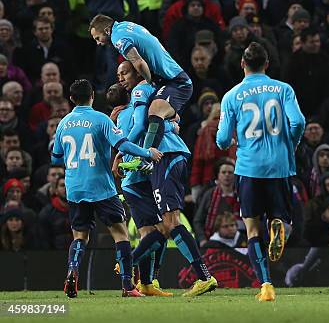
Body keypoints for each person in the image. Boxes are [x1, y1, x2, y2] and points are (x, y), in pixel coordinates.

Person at [113, 61, 218, 297]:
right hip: (162, 161)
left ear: (138, 72)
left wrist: (121, 151)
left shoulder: (142, 91)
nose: (121, 78)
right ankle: (149, 281)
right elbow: (170, 117)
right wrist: (172, 123)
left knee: (168, 223)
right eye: (118, 74)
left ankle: (204, 276)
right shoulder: (146, 98)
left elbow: (145, 124)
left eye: (125, 73)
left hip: (165, 157)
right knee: (161, 225)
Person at [50, 79, 162, 298]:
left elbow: (55, 158)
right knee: (120, 234)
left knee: (80, 236)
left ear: (71, 98)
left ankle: (73, 270)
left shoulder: (63, 123)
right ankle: (127, 286)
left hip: (75, 189)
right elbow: (123, 145)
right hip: (101, 186)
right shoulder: (101, 119)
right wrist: (147, 152)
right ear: (93, 95)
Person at [217, 42, 305, 301]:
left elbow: (222, 139)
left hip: (249, 168)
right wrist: (291, 142)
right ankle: (279, 225)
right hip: (280, 166)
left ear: (242, 64)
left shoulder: (232, 95)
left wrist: (229, 142)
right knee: (280, 218)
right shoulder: (283, 89)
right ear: (267, 64)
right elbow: (298, 121)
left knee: (252, 230)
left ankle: (266, 285)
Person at [107, 71, 174, 297]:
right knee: (161, 230)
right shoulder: (138, 111)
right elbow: (144, 130)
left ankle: (146, 283)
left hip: (137, 180)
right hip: (137, 180)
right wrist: (173, 125)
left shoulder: (118, 117)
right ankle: (130, 264)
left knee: (150, 233)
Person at [88, 14, 193, 156]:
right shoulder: (125, 25)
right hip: (169, 77)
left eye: (97, 38)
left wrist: (149, 81)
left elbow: (138, 62)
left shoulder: (117, 37)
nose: (98, 43)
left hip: (175, 81)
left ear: (107, 31)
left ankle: (146, 157)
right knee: (157, 112)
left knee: (155, 111)